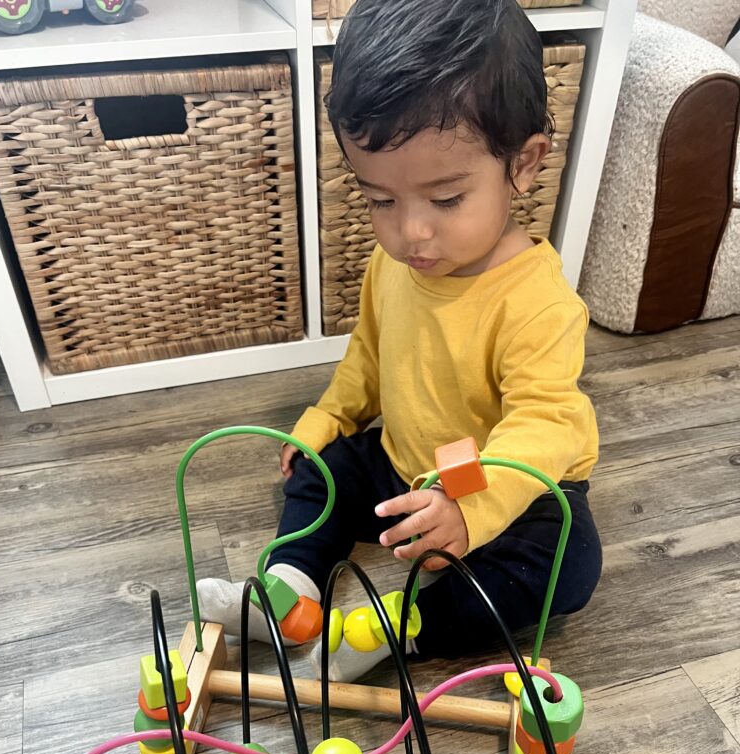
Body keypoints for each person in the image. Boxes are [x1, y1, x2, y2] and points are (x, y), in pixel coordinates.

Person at [198, 0, 602, 681]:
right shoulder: (398, 264)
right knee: (321, 475)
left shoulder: (538, 302)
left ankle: (399, 627)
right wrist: (332, 416)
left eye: (445, 200)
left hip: (509, 481)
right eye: (381, 200)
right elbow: (370, 354)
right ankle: (287, 593)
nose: (410, 232)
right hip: (408, 458)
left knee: (566, 564)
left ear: (526, 164)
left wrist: (471, 505)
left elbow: (546, 421)